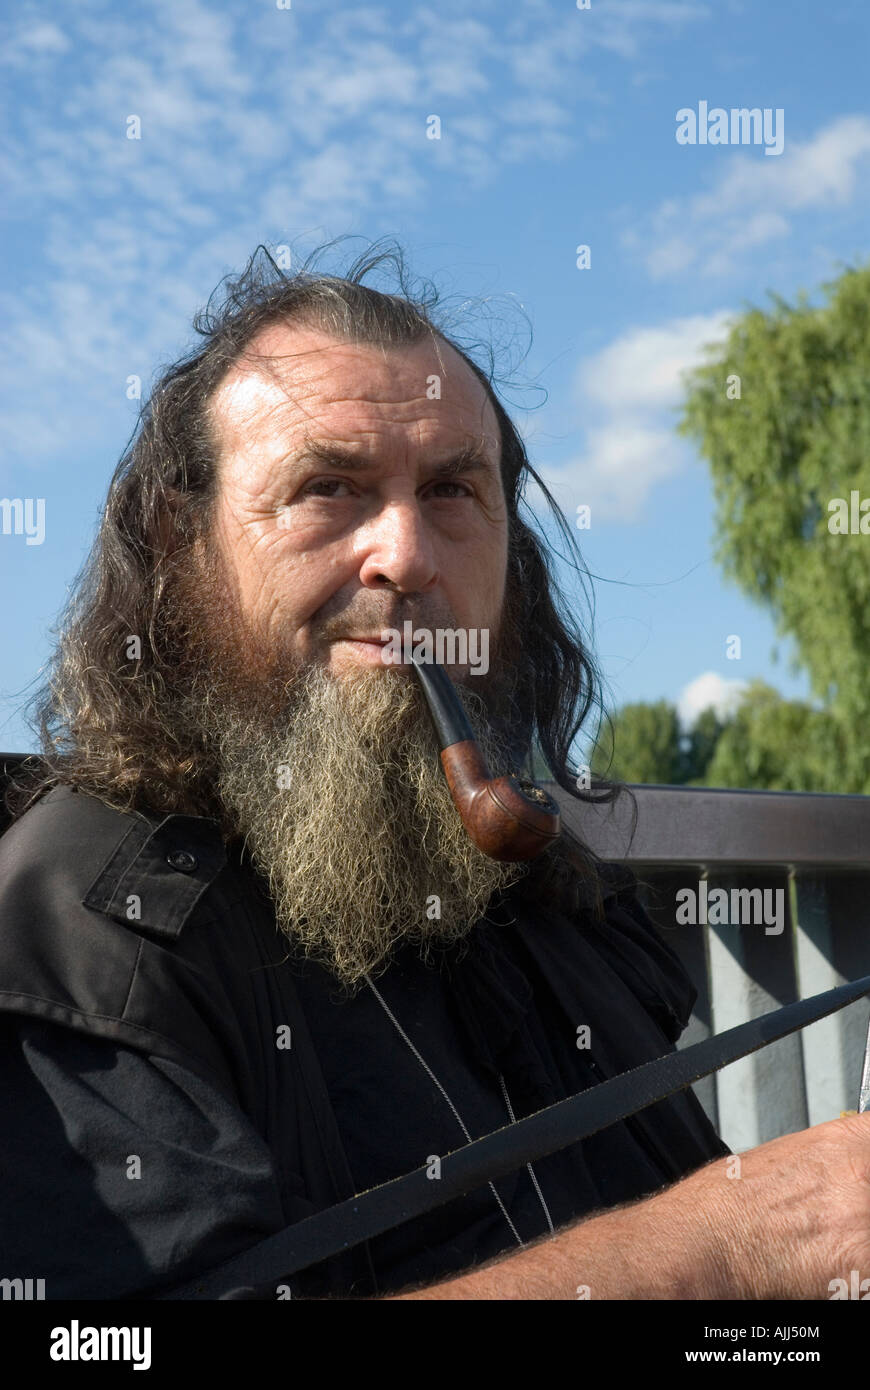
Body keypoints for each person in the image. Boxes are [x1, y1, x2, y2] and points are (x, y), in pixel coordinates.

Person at [1, 241, 867, 1301]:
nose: (406, 555)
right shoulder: (86, 938)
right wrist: (733, 1243)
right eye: (328, 486)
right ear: (181, 547)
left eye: (454, 490)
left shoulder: (541, 885)